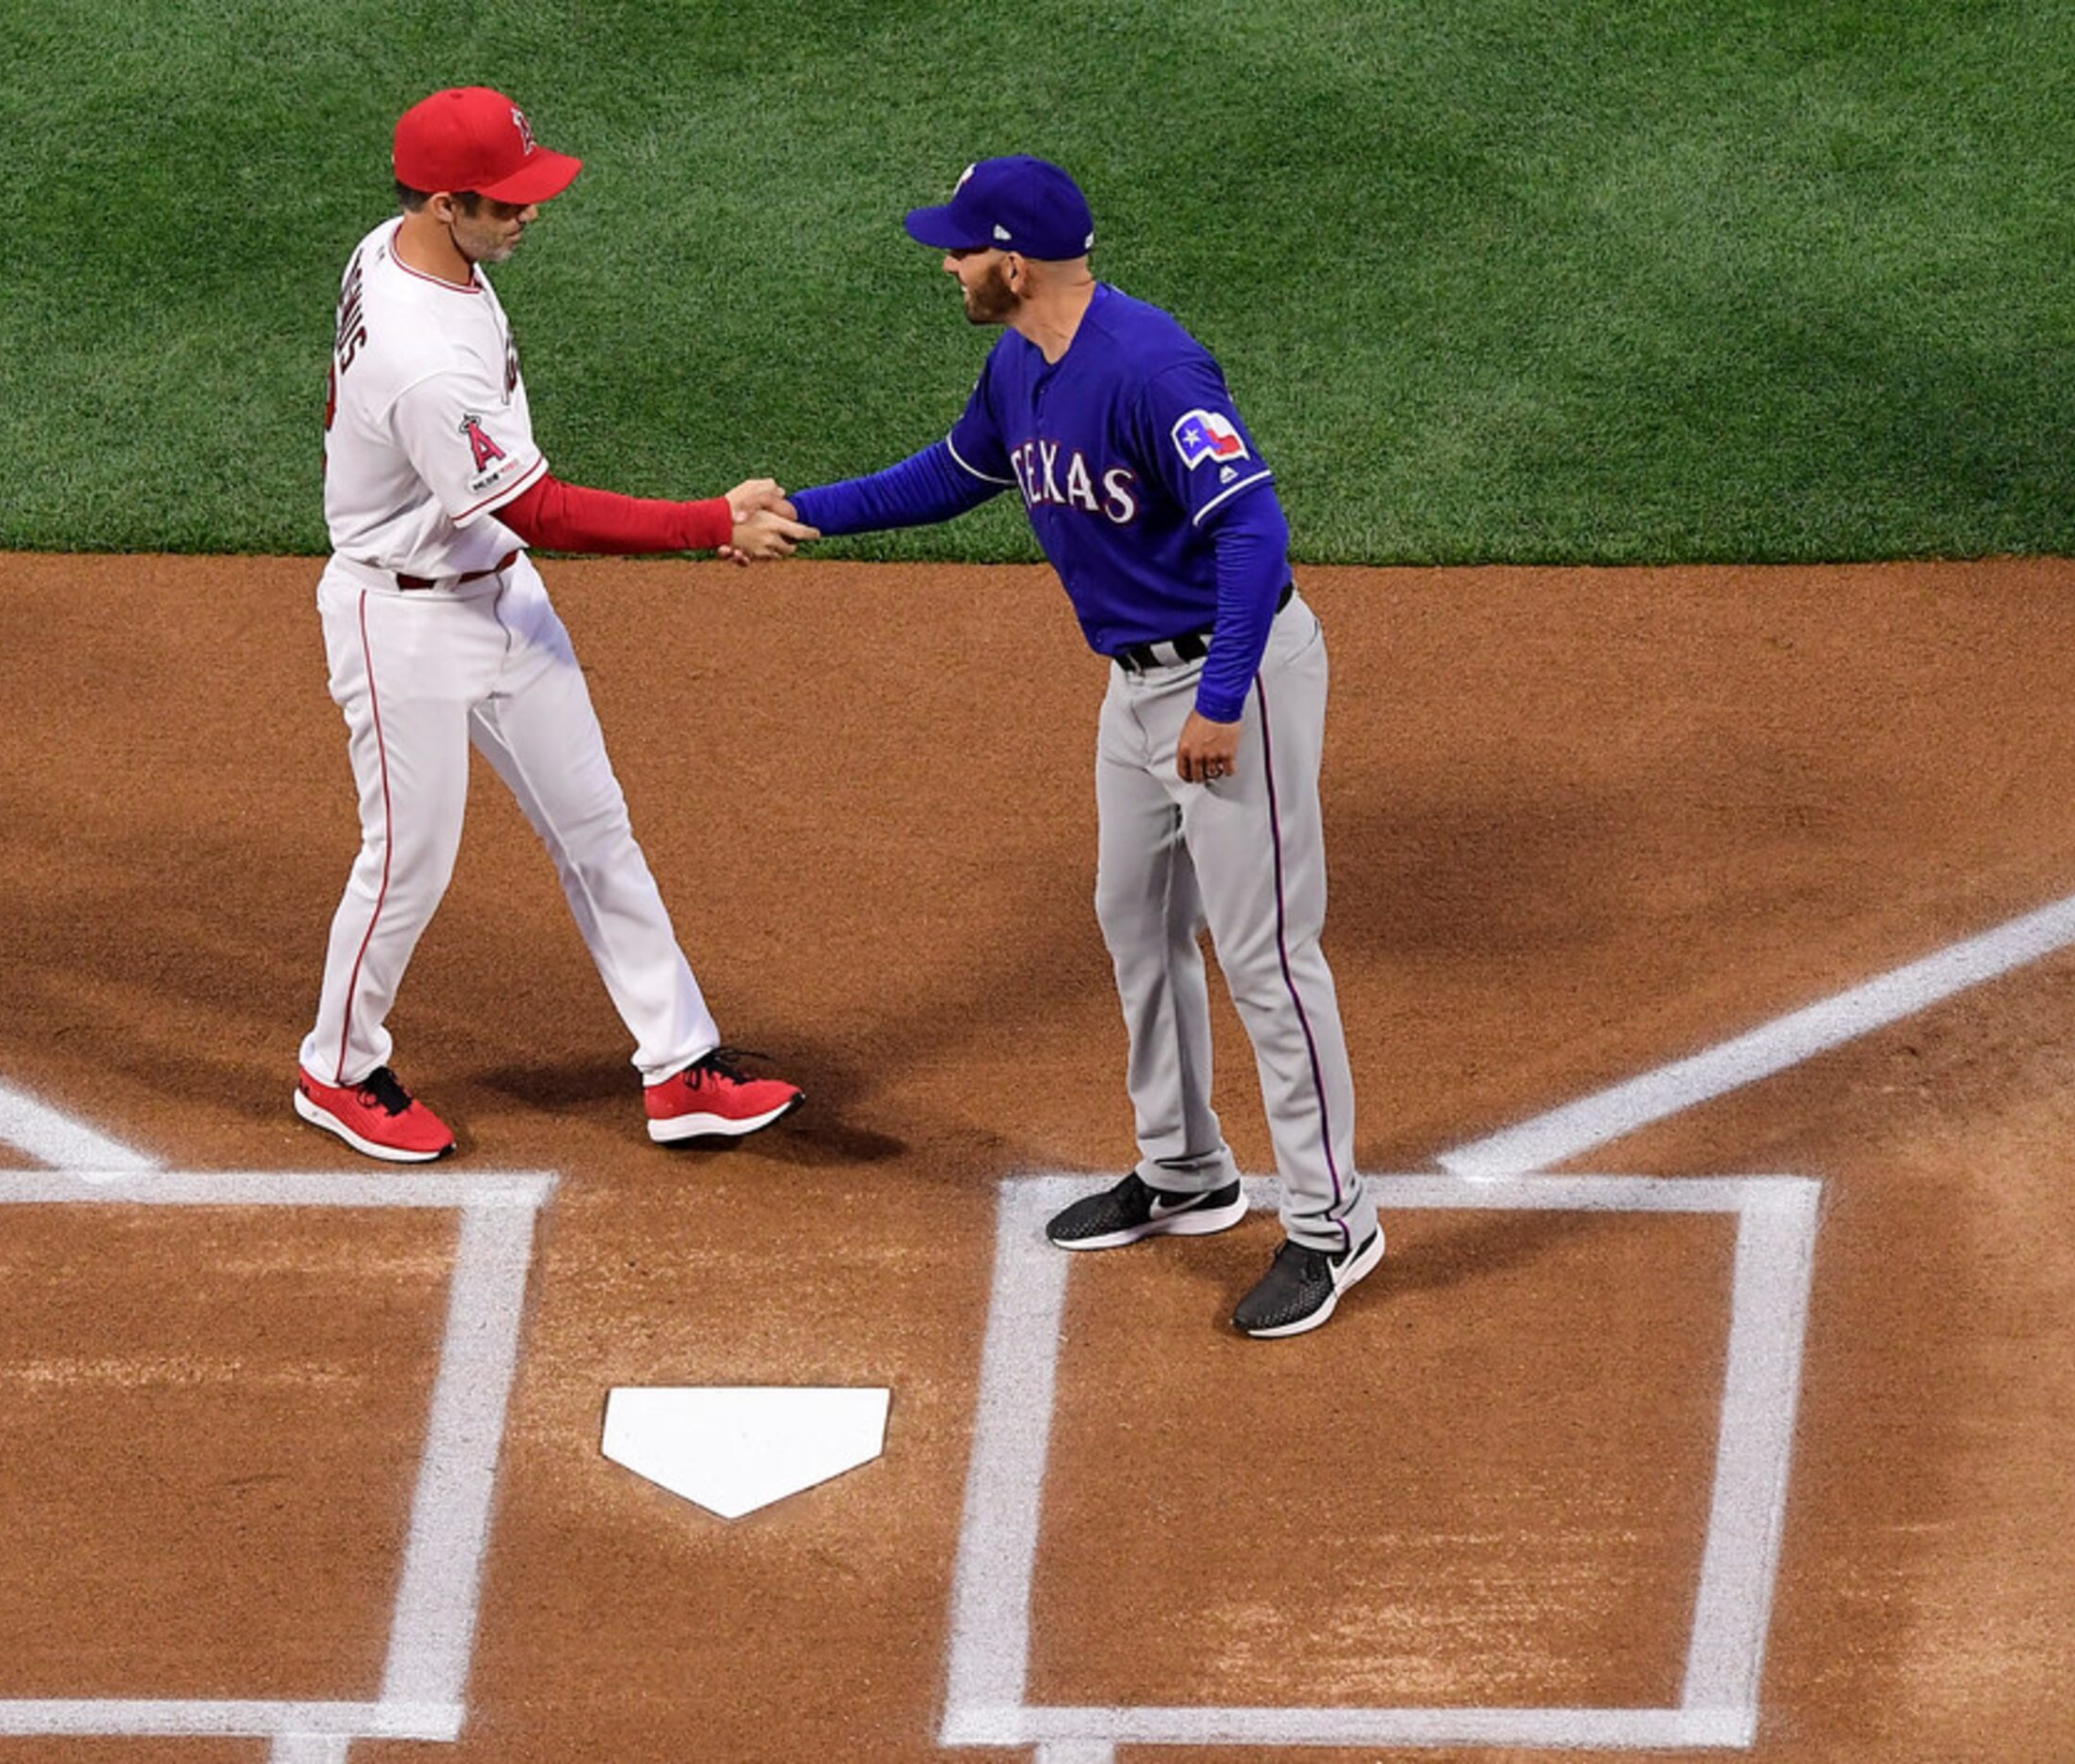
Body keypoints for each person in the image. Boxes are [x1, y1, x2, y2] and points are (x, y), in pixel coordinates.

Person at [785, 157, 1382, 1337]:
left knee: (1265, 958)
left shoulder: (1148, 367)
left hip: (1235, 674)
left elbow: (1255, 530)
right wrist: (804, 512)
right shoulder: (1019, 364)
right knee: (1135, 920)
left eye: (958, 250)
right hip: (1136, 687)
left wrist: (1218, 702)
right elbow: (948, 477)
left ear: (1013, 262)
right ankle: (1186, 1168)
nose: (945, 266)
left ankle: (1332, 1223)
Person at [295, 85, 814, 1162]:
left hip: (496, 592)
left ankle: (680, 1068)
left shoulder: (405, 248)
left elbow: (513, 522)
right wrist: (708, 523)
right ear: (444, 203)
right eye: (505, 202)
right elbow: (542, 508)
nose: (529, 213)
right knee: (408, 864)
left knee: (596, 830)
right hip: (405, 626)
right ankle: (335, 1068)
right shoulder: (423, 360)